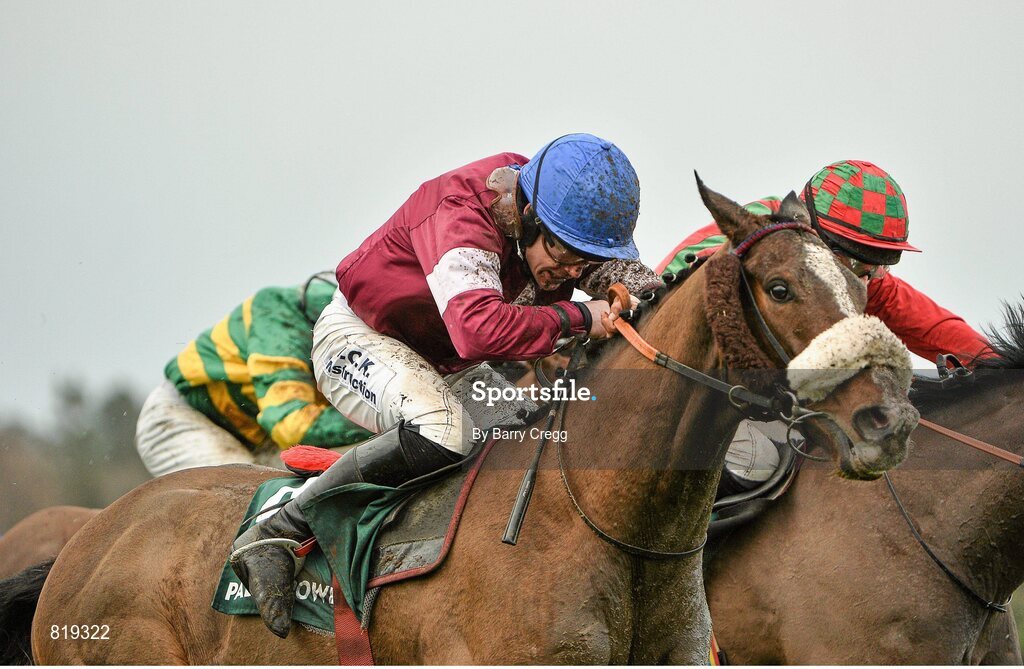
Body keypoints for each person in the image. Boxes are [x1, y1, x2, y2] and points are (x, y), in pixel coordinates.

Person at [229, 133, 662, 637]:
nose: (569, 272)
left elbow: (639, 285)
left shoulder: (559, 219)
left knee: (531, 436)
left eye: (583, 263)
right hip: (360, 337)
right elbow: (478, 331)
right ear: (527, 216)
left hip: (445, 365)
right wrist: (579, 316)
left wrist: (648, 296)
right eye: (564, 254)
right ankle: (278, 532)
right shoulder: (463, 211)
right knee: (444, 430)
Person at [658, 159, 990, 490]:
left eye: (881, 262)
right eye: (858, 259)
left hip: (764, 398)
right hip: (688, 394)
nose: (870, 274)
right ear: (815, 232)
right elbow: (669, 284)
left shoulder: (865, 278)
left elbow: (941, 332)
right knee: (757, 462)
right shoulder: (759, 231)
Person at [135, 277, 372, 477]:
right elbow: (291, 426)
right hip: (186, 419)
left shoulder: (354, 321)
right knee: (243, 503)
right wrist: (381, 417)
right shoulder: (280, 314)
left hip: (262, 438)